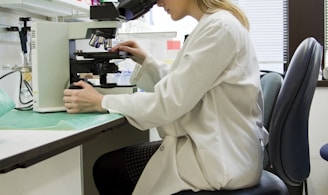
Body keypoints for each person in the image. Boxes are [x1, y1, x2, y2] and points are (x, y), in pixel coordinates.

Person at [63, 0, 268, 194]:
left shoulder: (218, 28)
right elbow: (186, 86)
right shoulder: (218, 23)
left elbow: (168, 103)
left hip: (220, 159)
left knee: (107, 168)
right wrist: (148, 62)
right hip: (220, 148)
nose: (158, 3)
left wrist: (101, 102)